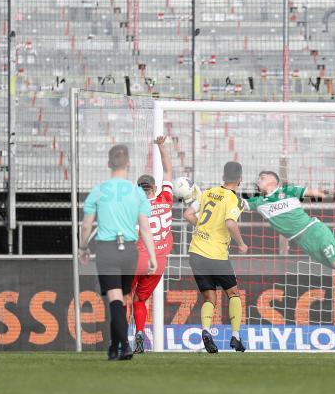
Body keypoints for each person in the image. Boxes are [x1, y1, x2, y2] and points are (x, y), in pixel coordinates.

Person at [248, 171, 335, 325]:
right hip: (304, 243)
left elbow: (320, 193)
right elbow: (237, 205)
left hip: (314, 231)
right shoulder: (258, 202)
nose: (258, 181)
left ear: (273, 181)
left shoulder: (288, 191)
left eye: (262, 178)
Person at [79, 144, 157, 360]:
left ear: (108, 164)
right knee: (122, 300)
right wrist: (151, 256)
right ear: (128, 164)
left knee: (114, 301)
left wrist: (83, 247)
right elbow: (145, 227)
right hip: (130, 251)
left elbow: (86, 226)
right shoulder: (137, 192)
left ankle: (124, 345)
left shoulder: (99, 190)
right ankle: (115, 348)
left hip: (107, 248)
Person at [184, 161, 248, 353]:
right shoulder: (234, 199)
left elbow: (188, 214)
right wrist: (241, 243)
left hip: (196, 252)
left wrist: (203, 229)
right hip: (216, 255)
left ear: (222, 176)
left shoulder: (207, 192)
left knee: (209, 297)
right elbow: (230, 223)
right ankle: (236, 337)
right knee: (233, 294)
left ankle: (205, 331)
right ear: (240, 179)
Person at [130, 136, 175, 353]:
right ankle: (139, 331)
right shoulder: (165, 199)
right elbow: (168, 170)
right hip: (159, 263)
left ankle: (124, 338)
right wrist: (161, 146)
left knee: (123, 298)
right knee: (141, 299)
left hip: (137, 258)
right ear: (154, 187)